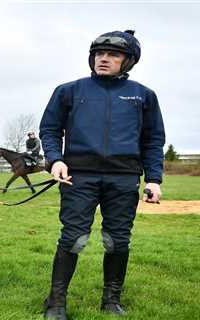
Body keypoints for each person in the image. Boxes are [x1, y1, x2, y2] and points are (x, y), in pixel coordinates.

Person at [39, 30, 165, 319]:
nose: (103, 59)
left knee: (117, 241)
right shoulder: (69, 91)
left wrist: (154, 178)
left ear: (129, 60)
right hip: (78, 177)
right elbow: (49, 129)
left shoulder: (144, 96)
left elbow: (153, 140)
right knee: (74, 239)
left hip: (124, 178)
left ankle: (111, 301)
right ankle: (56, 303)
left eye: (113, 54)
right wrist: (55, 160)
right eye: (99, 53)